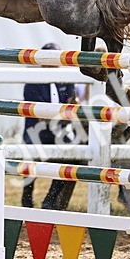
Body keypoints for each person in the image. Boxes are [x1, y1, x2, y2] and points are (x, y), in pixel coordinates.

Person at [21, 43, 80, 211]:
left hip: (59, 129)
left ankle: (50, 199)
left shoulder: (66, 79)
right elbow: (40, 115)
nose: (55, 63)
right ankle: (27, 199)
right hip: (37, 131)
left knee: (73, 157)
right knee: (30, 158)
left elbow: (72, 102)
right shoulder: (33, 82)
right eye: (51, 59)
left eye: (57, 59)